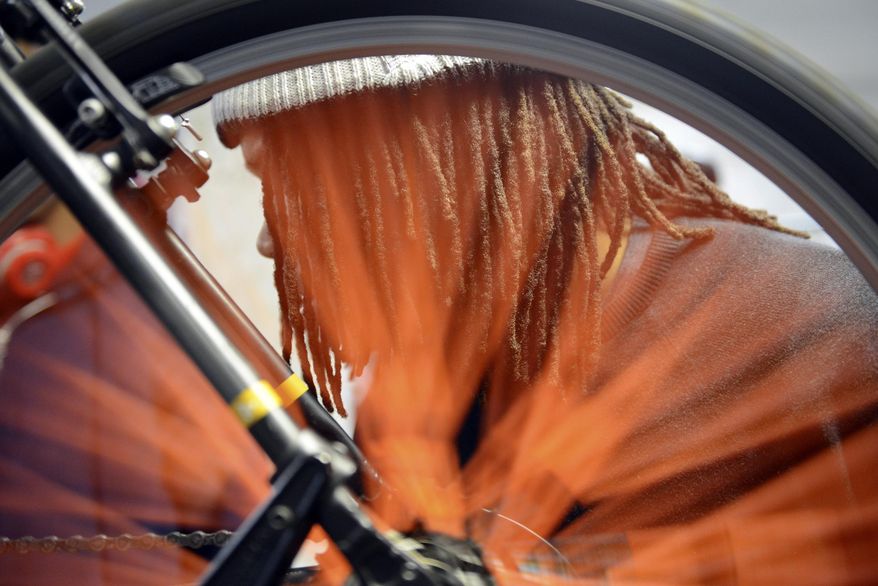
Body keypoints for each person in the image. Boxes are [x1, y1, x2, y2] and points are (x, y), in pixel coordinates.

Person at [214, 55, 878, 583]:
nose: (268, 240)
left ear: (415, 170)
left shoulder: (818, 323)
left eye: (286, 181)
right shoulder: (422, 390)